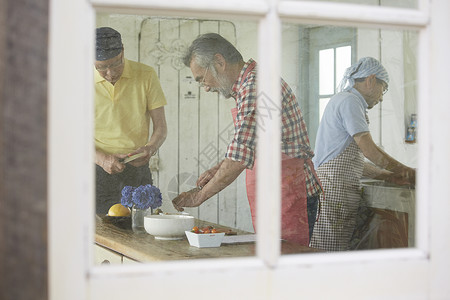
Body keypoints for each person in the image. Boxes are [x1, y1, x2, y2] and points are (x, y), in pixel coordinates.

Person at [172, 33, 322, 246]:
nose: (205, 87)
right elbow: (250, 144)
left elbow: (239, 157)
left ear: (219, 62)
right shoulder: (249, 84)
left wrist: (198, 197)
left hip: (289, 192)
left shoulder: (255, 86)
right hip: (277, 190)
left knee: (286, 264)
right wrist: (218, 169)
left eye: (202, 79)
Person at [310, 57, 416, 251]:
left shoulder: (346, 100)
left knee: (334, 250)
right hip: (334, 191)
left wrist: (390, 175)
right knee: (329, 252)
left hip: (336, 189)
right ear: (371, 80)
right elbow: (369, 150)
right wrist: (407, 172)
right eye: (383, 89)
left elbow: (352, 162)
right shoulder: (350, 101)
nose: (382, 97)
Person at [94, 27, 167, 215]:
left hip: (137, 169)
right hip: (95, 170)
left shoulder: (146, 74)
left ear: (123, 52)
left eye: (116, 64)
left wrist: (150, 148)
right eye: (101, 67)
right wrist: (102, 159)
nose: (110, 73)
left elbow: (161, 127)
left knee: (141, 233)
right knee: (98, 235)